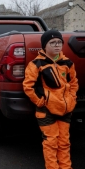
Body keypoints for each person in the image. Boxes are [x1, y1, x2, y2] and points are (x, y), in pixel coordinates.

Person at [23, 30, 78, 169]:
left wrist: (72, 99)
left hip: (65, 109)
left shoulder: (68, 63)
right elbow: (28, 86)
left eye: (59, 42)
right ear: (44, 46)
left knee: (64, 142)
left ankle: (66, 167)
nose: (57, 45)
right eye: (52, 43)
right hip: (46, 110)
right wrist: (40, 101)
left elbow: (73, 83)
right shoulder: (36, 64)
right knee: (51, 142)